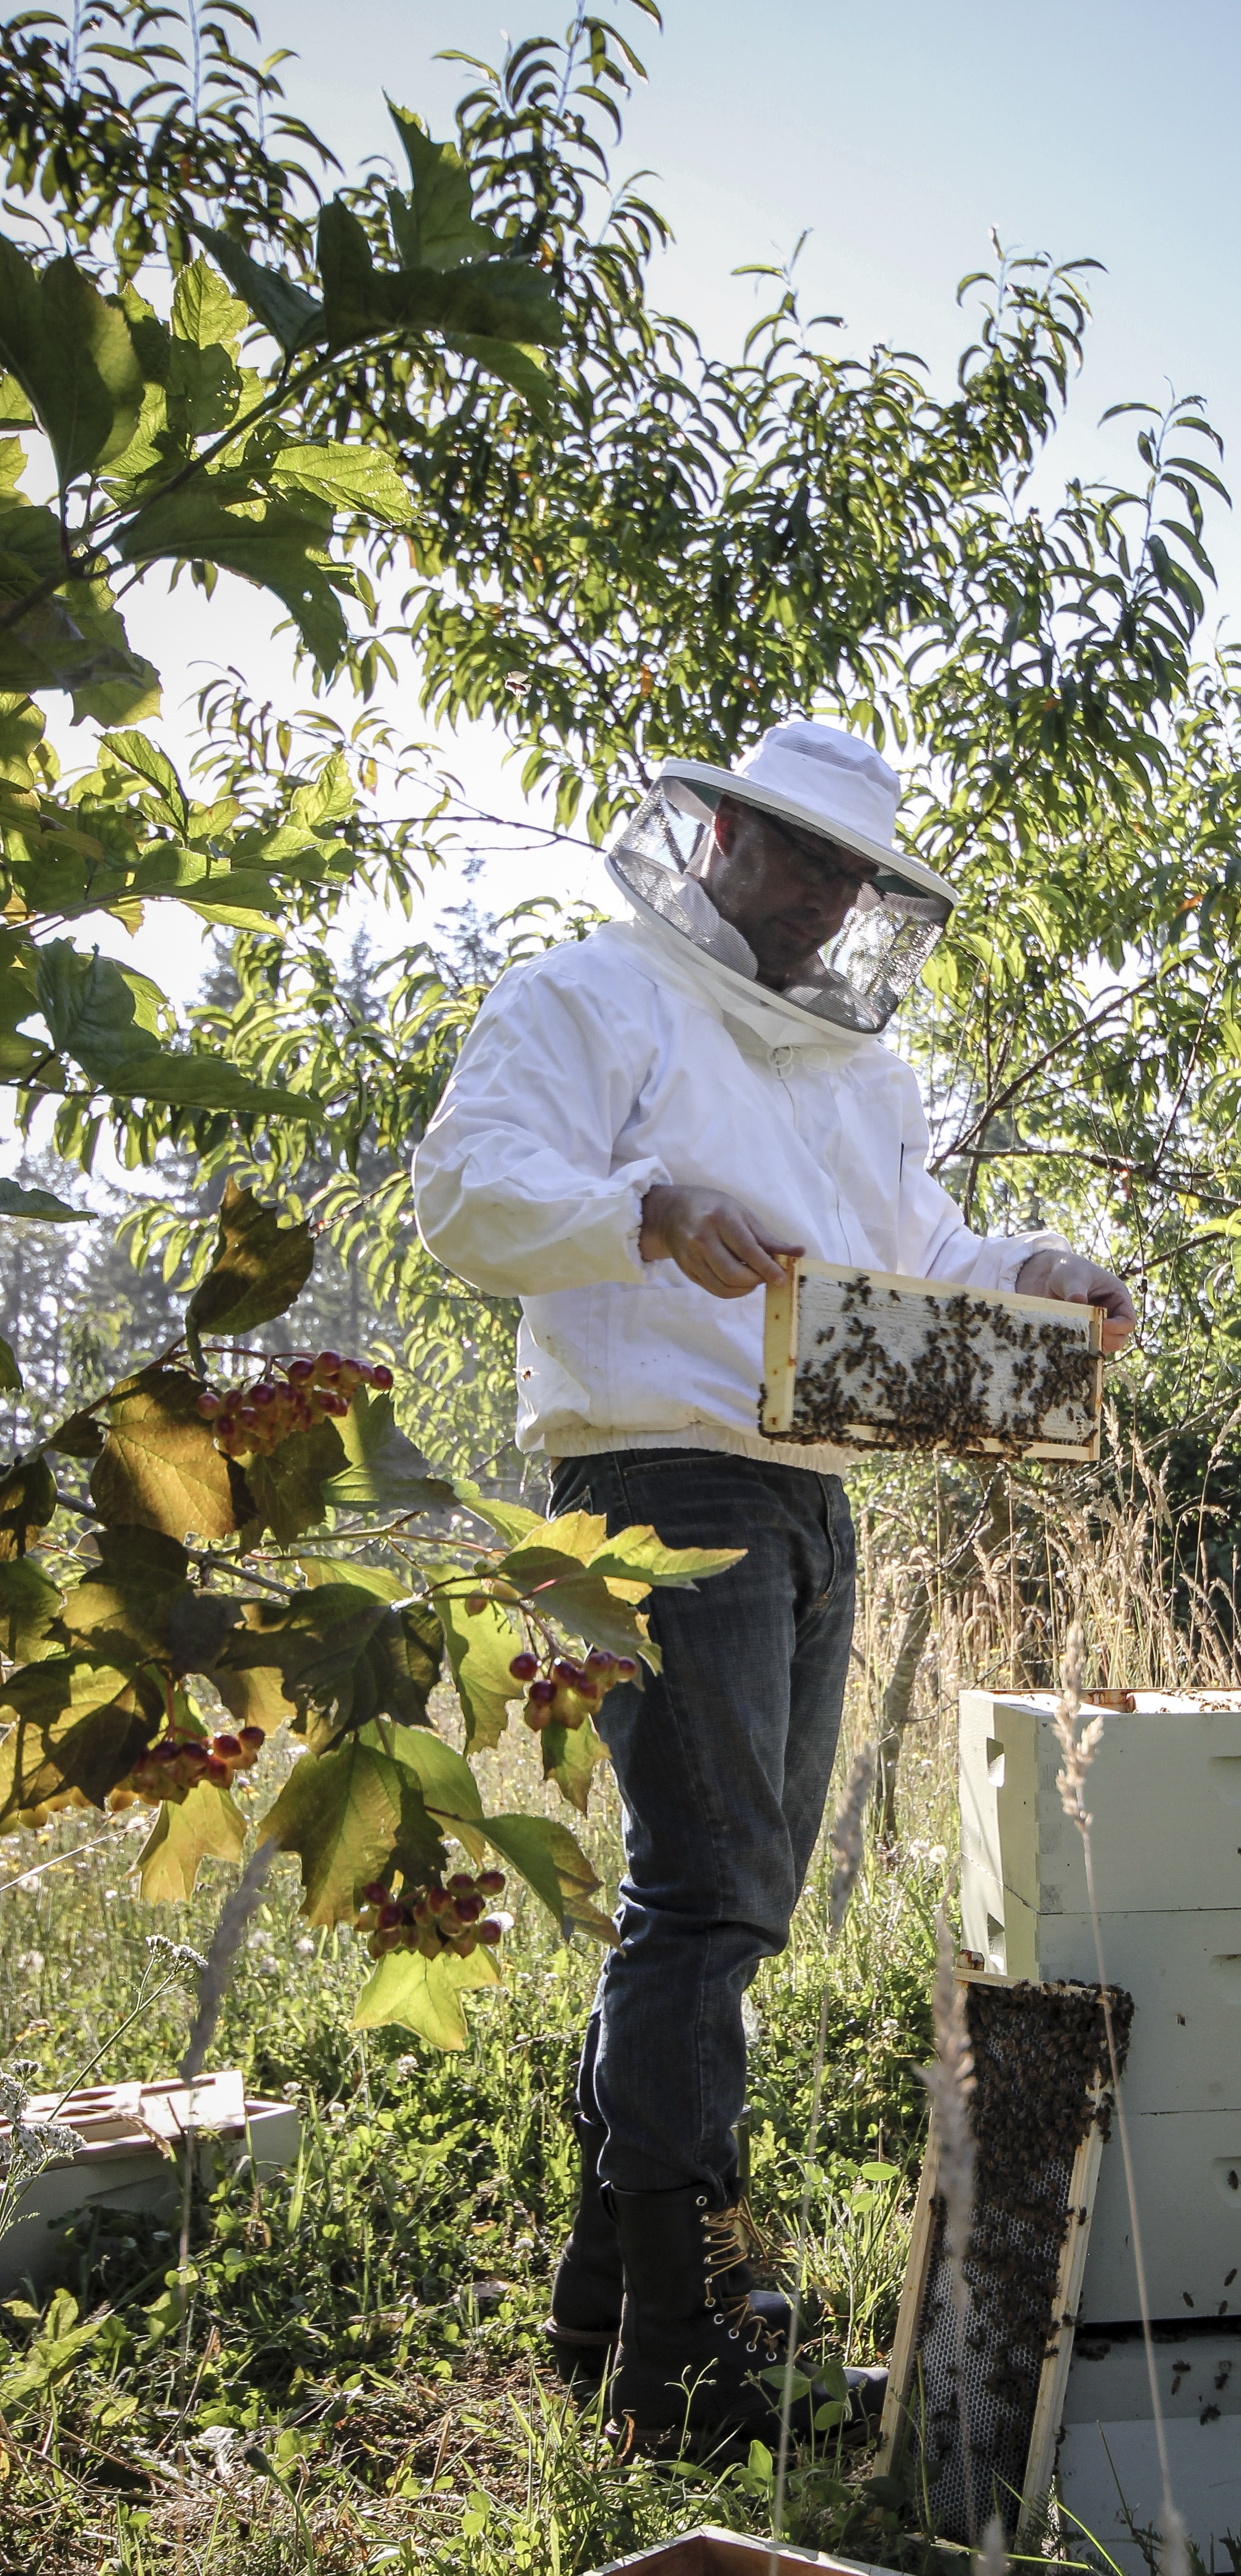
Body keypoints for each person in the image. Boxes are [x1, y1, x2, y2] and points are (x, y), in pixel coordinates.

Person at [412, 720, 1134, 2448]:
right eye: (798, 853)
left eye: (848, 872)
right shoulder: (594, 995)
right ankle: (686, 2347)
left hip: (812, 1492)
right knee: (709, 1902)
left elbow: (927, 1255)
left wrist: (1040, 1266)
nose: (821, 894)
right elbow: (462, 1196)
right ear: (717, 833)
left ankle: (617, 2310)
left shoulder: (858, 1074)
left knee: (726, 1898)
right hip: (654, 1483)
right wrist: (643, 1212)